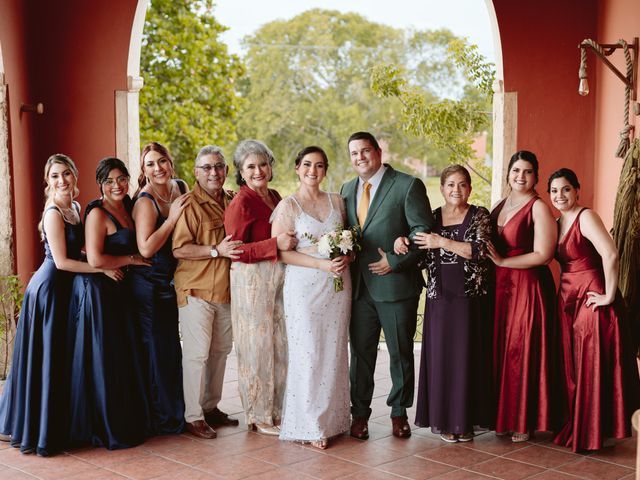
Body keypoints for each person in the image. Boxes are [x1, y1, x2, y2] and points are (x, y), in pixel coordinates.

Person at [0, 155, 121, 456]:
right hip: (49, 291)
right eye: (54, 176)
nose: (61, 180)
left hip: (67, 291)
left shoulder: (76, 207)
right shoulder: (53, 213)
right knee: (47, 359)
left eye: (66, 174)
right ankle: (28, 425)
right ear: (48, 181)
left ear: (75, 175)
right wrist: (102, 267)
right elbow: (64, 262)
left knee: (58, 360)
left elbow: (77, 248)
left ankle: (57, 422)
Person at [340, 131, 434, 440]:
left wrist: (394, 260)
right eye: (354, 153)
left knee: (400, 354)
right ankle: (360, 415)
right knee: (361, 356)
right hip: (359, 290)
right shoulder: (346, 189)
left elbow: (422, 233)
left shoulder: (407, 185)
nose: (360, 157)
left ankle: (398, 413)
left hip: (396, 287)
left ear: (378, 152)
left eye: (365, 151)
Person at [394, 164, 494, 443]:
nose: (456, 190)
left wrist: (443, 242)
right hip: (440, 300)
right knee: (443, 361)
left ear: (470, 188)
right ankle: (446, 422)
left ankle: (467, 421)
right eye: (450, 184)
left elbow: (480, 250)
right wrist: (403, 241)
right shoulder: (432, 217)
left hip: (471, 300)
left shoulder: (479, 215)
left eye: (462, 184)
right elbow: (421, 249)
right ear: (442, 189)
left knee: (468, 359)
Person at [548, 168, 640, 451]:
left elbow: (610, 253)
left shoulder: (585, 216)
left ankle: (591, 432)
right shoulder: (558, 222)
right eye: (554, 191)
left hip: (591, 295)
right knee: (575, 366)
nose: (560, 195)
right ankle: (582, 425)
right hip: (567, 297)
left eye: (565, 189)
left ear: (577, 190)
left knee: (591, 364)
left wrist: (609, 295)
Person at [67, 157, 151, 449]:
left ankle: (130, 416)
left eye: (121, 179)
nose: (117, 185)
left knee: (122, 353)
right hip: (98, 290)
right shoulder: (97, 214)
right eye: (109, 181)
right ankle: (104, 423)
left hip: (120, 289)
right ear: (100, 184)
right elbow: (95, 259)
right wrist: (132, 259)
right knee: (104, 355)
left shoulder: (129, 206)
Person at [271, 146, 351, 450]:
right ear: (297, 168)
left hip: (338, 286)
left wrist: (349, 255)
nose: (312, 171)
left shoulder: (337, 202)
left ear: (326, 170)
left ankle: (334, 420)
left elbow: (348, 241)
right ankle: (310, 424)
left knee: (333, 351)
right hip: (304, 286)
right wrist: (321, 264)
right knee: (309, 353)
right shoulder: (288, 207)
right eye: (307, 165)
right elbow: (281, 253)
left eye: (319, 166)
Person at [223, 139, 297, 436]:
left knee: (278, 345)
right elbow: (237, 250)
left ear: (271, 166)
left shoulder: (275, 196)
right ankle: (258, 413)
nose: (258, 171)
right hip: (251, 280)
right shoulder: (241, 202)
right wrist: (274, 244)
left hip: (276, 277)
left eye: (263, 164)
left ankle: (277, 409)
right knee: (256, 348)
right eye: (250, 167)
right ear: (241, 172)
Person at [172, 145, 243, 439]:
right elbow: (179, 248)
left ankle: (211, 407)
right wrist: (216, 250)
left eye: (218, 166)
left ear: (226, 170)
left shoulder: (233, 201)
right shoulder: (189, 205)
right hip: (196, 290)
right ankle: (193, 416)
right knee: (197, 355)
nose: (214, 172)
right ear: (196, 173)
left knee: (220, 352)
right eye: (207, 168)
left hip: (227, 291)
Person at [488, 150, 557, 443]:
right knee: (502, 348)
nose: (521, 176)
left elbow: (544, 254)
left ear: (536, 177)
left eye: (527, 172)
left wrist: (503, 262)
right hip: (499, 288)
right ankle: (502, 416)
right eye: (516, 170)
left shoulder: (538, 208)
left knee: (523, 349)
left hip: (528, 286)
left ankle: (524, 420)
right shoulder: (499, 205)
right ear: (508, 174)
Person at [130, 142, 189, 436]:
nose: (158, 168)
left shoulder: (180, 186)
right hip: (150, 283)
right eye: (150, 164)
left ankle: (180, 410)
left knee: (172, 350)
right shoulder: (145, 201)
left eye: (162, 161)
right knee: (157, 349)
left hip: (174, 280)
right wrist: (173, 218)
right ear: (144, 171)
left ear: (170, 161)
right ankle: (161, 417)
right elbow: (146, 247)